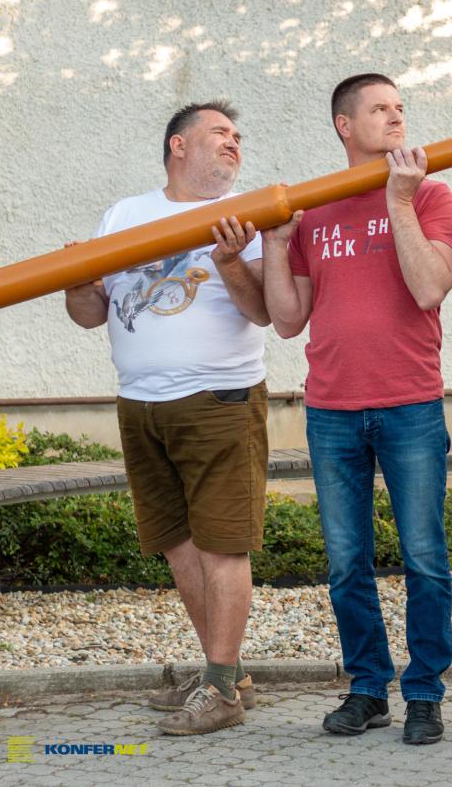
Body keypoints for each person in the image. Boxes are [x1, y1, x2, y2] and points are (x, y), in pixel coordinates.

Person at [262, 73, 452, 745]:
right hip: (332, 409)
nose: (396, 117)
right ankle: (369, 687)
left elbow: (429, 288)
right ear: (345, 125)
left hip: (410, 404)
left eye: (400, 107)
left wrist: (398, 201)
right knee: (347, 562)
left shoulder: (429, 194)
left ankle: (425, 693)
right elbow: (287, 319)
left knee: (424, 557)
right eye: (380, 109)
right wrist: (274, 244)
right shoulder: (315, 208)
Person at [65, 100, 269, 735]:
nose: (234, 143)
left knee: (222, 543)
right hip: (139, 400)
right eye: (220, 133)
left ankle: (221, 690)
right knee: (178, 545)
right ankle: (226, 675)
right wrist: (76, 285)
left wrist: (229, 259)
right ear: (179, 145)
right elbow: (90, 314)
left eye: (238, 136)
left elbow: (263, 311)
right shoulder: (124, 215)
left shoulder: (249, 216)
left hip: (218, 398)